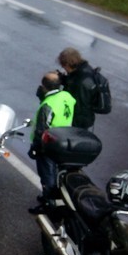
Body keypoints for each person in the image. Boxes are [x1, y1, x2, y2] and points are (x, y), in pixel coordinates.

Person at [28, 72, 76, 214]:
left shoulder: (48, 104)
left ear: (44, 87)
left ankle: (48, 204)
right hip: (63, 140)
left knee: (47, 175)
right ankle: (55, 200)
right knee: (56, 174)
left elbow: (41, 130)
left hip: (49, 145)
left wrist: (36, 148)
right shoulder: (66, 96)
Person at [57, 47, 99, 129]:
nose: (63, 68)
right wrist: (64, 79)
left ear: (68, 64)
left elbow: (76, 105)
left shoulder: (79, 81)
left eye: (63, 65)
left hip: (78, 122)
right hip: (87, 119)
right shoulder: (84, 70)